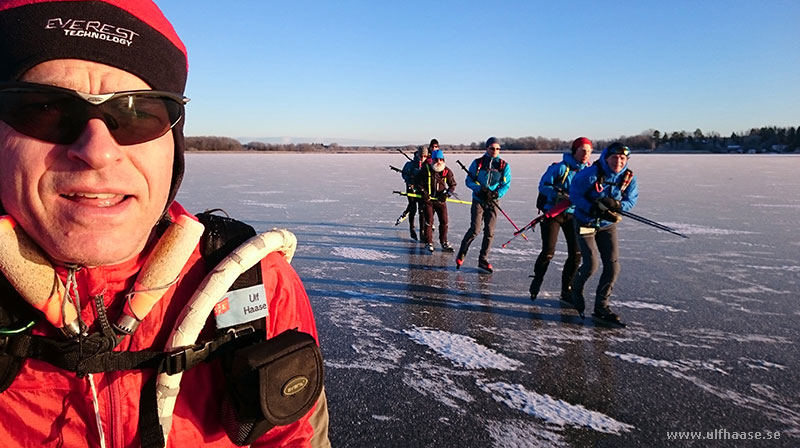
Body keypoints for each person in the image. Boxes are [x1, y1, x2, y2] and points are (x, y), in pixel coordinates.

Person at [0, 1, 329, 447]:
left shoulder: (255, 283)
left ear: (172, 144)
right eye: (46, 107)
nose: (98, 151)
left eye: (138, 113)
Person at [568, 142, 639, 325]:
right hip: (586, 222)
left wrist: (619, 206)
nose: (618, 162)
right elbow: (575, 195)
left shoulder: (629, 177)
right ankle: (575, 289)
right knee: (591, 264)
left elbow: (631, 199)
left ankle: (601, 307)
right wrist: (591, 208)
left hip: (607, 225)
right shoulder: (590, 174)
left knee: (613, 266)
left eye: (623, 158)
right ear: (606, 158)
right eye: (615, 157)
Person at [529, 137, 593, 302]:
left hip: (575, 215)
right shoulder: (561, 168)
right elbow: (543, 186)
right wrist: (560, 195)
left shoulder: (590, 171)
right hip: (554, 213)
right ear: (575, 151)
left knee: (576, 253)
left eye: (589, 151)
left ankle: (567, 290)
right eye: (582, 150)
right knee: (549, 252)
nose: (585, 154)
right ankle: (537, 279)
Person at [455, 137, 511, 273]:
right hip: (478, 200)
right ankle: (462, 253)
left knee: (489, 232)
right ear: (487, 148)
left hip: (493, 202)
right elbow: (469, 181)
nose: (495, 151)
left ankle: (483, 259)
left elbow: (506, 184)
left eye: (498, 148)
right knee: (475, 229)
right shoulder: (478, 163)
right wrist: (479, 189)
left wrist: (496, 194)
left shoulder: (504, 165)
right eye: (492, 148)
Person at [415, 148, 457, 253]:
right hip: (428, 200)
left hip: (440, 201)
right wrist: (423, 192)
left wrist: (446, 195)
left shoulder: (447, 171)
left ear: (443, 160)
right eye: (436, 160)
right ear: (432, 160)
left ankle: (444, 242)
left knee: (444, 221)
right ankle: (428, 242)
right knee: (429, 221)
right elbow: (417, 183)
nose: (438, 162)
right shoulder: (426, 169)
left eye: (440, 159)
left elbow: (453, 185)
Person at [399, 141, 433, 240]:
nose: (422, 158)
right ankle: (412, 228)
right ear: (417, 155)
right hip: (411, 189)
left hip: (422, 190)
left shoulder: (428, 165)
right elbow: (404, 174)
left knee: (422, 211)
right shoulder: (410, 164)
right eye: (421, 156)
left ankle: (422, 231)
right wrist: (409, 181)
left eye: (425, 156)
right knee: (412, 208)